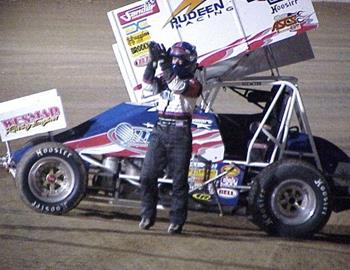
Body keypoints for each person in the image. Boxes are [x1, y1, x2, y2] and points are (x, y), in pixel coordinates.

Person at [139, 41, 202, 234]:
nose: (178, 63)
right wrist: (152, 62)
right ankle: (148, 215)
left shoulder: (195, 83)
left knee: (179, 181)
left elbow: (177, 86)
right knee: (147, 176)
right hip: (160, 130)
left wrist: (165, 64)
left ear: (190, 62)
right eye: (174, 59)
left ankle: (176, 221)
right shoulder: (165, 76)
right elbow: (147, 89)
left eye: (181, 60)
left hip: (180, 134)